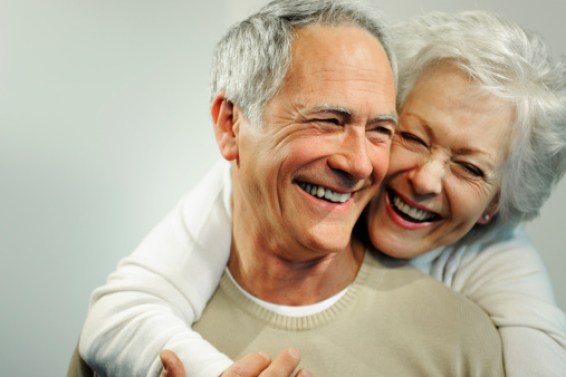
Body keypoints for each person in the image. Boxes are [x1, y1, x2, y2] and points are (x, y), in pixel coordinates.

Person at [75, 3, 566, 377]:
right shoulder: (215, 208)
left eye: (471, 169)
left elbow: (541, 348)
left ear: (495, 207)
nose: (425, 179)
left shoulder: (486, 296)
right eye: (410, 137)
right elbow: (119, 311)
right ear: (231, 126)